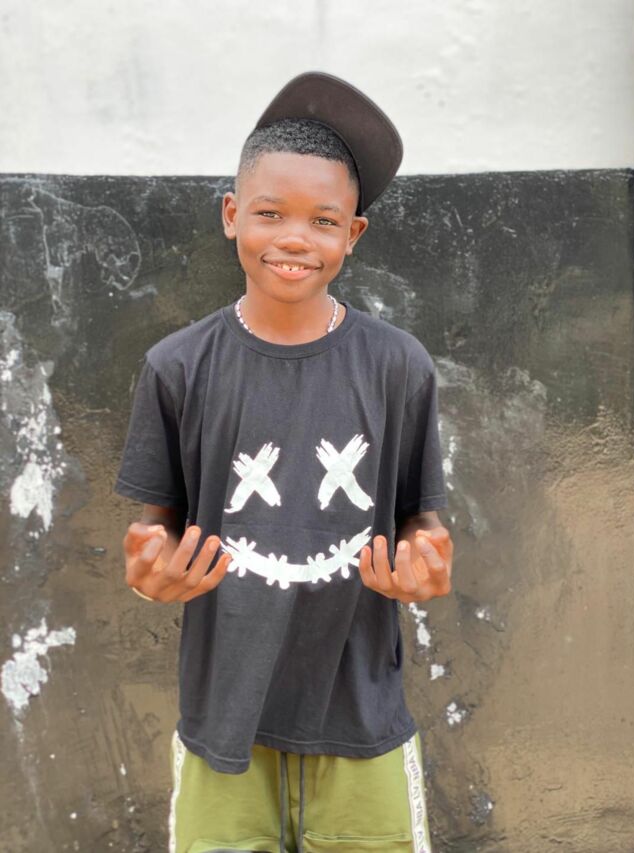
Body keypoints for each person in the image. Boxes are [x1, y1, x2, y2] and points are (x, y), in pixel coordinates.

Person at [114, 71, 454, 853]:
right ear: (232, 215)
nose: (295, 238)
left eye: (323, 220)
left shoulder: (398, 366)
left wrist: (427, 560)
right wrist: (150, 567)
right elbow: (154, 526)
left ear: (353, 234)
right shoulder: (178, 367)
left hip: (361, 713)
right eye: (270, 213)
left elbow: (422, 519)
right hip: (224, 714)